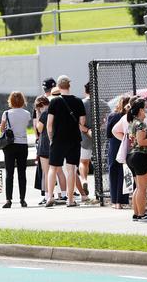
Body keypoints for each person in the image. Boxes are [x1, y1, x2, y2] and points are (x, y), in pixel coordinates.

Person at [113, 95, 147, 212]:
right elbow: (142, 140)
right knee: (142, 188)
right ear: (140, 109)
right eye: (146, 107)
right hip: (141, 156)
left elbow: (116, 131)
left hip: (133, 155)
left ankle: (138, 213)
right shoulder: (140, 123)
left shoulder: (130, 120)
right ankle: (142, 213)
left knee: (138, 188)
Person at [46, 75, 87, 207]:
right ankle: (70, 199)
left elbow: (49, 124)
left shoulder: (54, 102)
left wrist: (51, 138)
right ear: (69, 85)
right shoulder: (78, 101)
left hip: (58, 139)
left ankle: (50, 197)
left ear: (58, 86)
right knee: (71, 169)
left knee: (53, 168)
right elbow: (82, 122)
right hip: (74, 139)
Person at [0, 91, 32, 208]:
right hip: (22, 144)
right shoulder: (27, 113)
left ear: (11, 100)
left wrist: (3, 127)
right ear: (23, 100)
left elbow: (2, 128)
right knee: (22, 173)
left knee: (9, 173)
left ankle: (8, 200)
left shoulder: (6, 113)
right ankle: (22, 199)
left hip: (10, 145)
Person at [80, 82, 110, 196]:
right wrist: (100, 127)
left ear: (85, 91)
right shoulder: (102, 103)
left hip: (84, 136)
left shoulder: (81, 103)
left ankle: (84, 180)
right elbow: (107, 120)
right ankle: (99, 189)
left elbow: (78, 122)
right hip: (99, 136)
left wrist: (87, 130)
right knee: (98, 162)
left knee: (83, 161)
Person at [106, 95, 131, 208]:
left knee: (113, 172)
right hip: (125, 145)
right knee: (123, 172)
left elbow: (108, 133)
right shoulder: (129, 117)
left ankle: (115, 201)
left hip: (113, 145)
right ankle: (121, 200)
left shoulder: (112, 116)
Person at [34, 95, 51, 205]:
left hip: (44, 144)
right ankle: (62, 194)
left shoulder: (44, 113)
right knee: (57, 172)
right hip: (54, 144)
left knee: (46, 172)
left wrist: (38, 115)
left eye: (38, 107)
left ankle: (47, 195)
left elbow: (39, 129)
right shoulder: (54, 112)